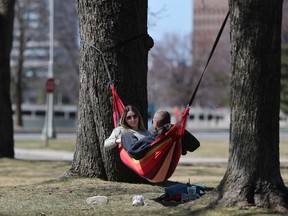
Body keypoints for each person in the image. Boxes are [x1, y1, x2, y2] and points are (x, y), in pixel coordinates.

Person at [121, 110, 200, 159]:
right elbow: (195, 145)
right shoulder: (176, 135)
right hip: (166, 167)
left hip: (150, 166)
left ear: (155, 122)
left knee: (126, 134)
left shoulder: (154, 138)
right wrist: (177, 129)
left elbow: (133, 152)